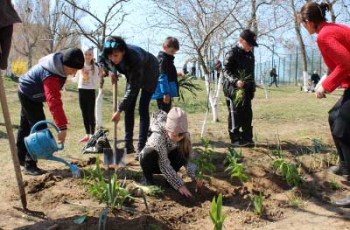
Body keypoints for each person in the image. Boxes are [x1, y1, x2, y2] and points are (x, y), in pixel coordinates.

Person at [300, 2, 350, 207]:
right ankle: (345, 165)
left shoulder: (324, 36)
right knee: (334, 116)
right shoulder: (332, 29)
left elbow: (347, 63)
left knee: (342, 128)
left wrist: (325, 86)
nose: (303, 27)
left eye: (303, 24)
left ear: (309, 22)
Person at [16, 48, 84, 175]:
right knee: (39, 129)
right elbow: (54, 101)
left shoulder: (59, 68)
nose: (74, 73)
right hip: (28, 93)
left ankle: (19, 158)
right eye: (73, 70)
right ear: (66, 64)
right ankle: (29, 165)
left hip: (29, 92)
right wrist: (62, 127)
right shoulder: (51, 75)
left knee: (25, 126)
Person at [100, 36, 159, 156]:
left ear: (123, 52)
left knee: (142, 108)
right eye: (111, 56)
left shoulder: (134, 58)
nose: (113, 58)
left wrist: (119, 110)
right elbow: (101, 61)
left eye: (116, 56)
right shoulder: (107, 53)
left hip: (149, 72)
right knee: (129, 108)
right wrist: (110, 71)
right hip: (132, 74)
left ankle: (141, 148)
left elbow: (132, 88)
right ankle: (128, 145)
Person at [139, 107, 203, 198]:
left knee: (184, 151)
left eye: (180, 135)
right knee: (146, 153)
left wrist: (195, 175)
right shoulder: (158, 136)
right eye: (174, 134)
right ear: (168, 129)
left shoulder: (184, 136)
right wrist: (179, 185)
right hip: (156, 162)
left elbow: (190, 158)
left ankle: (170, 180)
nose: (177, 138)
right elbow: (164, 164)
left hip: (170, 160)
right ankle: (147, 178)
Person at [222, 29, 258, 147]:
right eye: (249, 44)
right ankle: (235, 138)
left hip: (246, 89)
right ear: (240, 40)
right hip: (232, 89)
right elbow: (225, 71)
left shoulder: (250, 55)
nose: (250, 47)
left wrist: (252, 88)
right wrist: (236, 81)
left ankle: (247, 137)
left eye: (252, 45)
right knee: (235, 113)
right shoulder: (232, 53)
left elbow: (251, 74)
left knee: (247, 113)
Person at [73, 47, 101, 142]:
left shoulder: (95, 67)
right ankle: (87, 134)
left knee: (90, 113)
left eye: (89, 54)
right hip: (81, 90)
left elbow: (95, 81)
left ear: (92, 56)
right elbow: (75, 78)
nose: (87, 56)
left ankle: (92, 135)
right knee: (84, 113)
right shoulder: (80, 66)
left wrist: (99, 75)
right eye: (86, 54)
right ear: (83, 55)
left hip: (90, 91)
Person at [152, 37, 180, 114]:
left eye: (174, 52)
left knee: (165, 113)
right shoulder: (163, 60)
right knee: (164, 113)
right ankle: (162, 126)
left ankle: (164, 125)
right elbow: (162, 77)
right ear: (165, 47)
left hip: (166, 92)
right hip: (163, 93)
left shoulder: (167, 59)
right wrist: (166, 93)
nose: (173, 54)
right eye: (172, 51)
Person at [0, 0, 21, 71]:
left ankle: (3, 60)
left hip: (6, 18)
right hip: (6, 17)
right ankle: (3, 60)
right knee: (3, 62)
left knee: (3, 62)